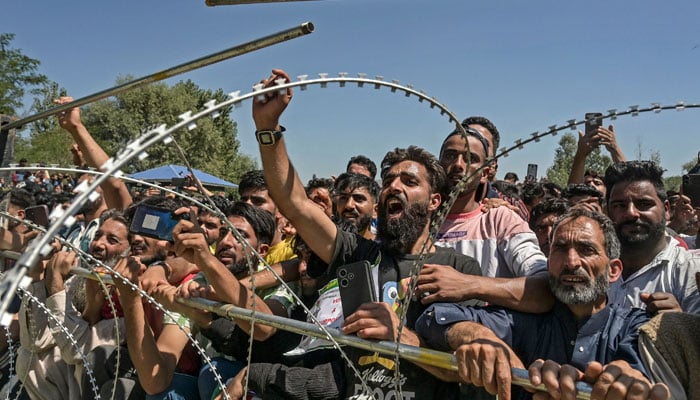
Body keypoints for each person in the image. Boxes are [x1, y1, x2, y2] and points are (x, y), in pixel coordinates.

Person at [247, 68, 482, 399]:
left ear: (434, 201)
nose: (393, 187)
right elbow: (295, 203)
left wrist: (401, 336)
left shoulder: (459, 270)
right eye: (389, 181)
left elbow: (466, 368)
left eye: (409, 182)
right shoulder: (360, 254)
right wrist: (267, 128)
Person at [416, 208, 670, 400]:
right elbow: (433, 317)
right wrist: (477, 335)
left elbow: (636, 367)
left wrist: (620, 379)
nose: (571, 262)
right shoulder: (526, 321)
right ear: (548, 264)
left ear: (613, 270)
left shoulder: (635, 326)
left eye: (586, 249)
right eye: (560, 248)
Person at [432, 125, 551, 312]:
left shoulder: (501, 220)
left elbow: (544, 286)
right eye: (450, 155)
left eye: (471, 159)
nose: (458, 164)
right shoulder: (421, 221)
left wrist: (469, 286)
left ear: (485, 174)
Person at [604, 161, 700, 313]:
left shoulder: (691, 270)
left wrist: (683, 324)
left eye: (643, 204)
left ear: (666, 209)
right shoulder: (594, 267)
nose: (631, 213)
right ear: (608, 211)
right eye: (619, 205)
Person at [333, 172, 379, 240]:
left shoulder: (383, 249)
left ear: (375, 210)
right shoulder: (322, 245)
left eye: (359, 199)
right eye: (343, 198)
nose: (349, 205)